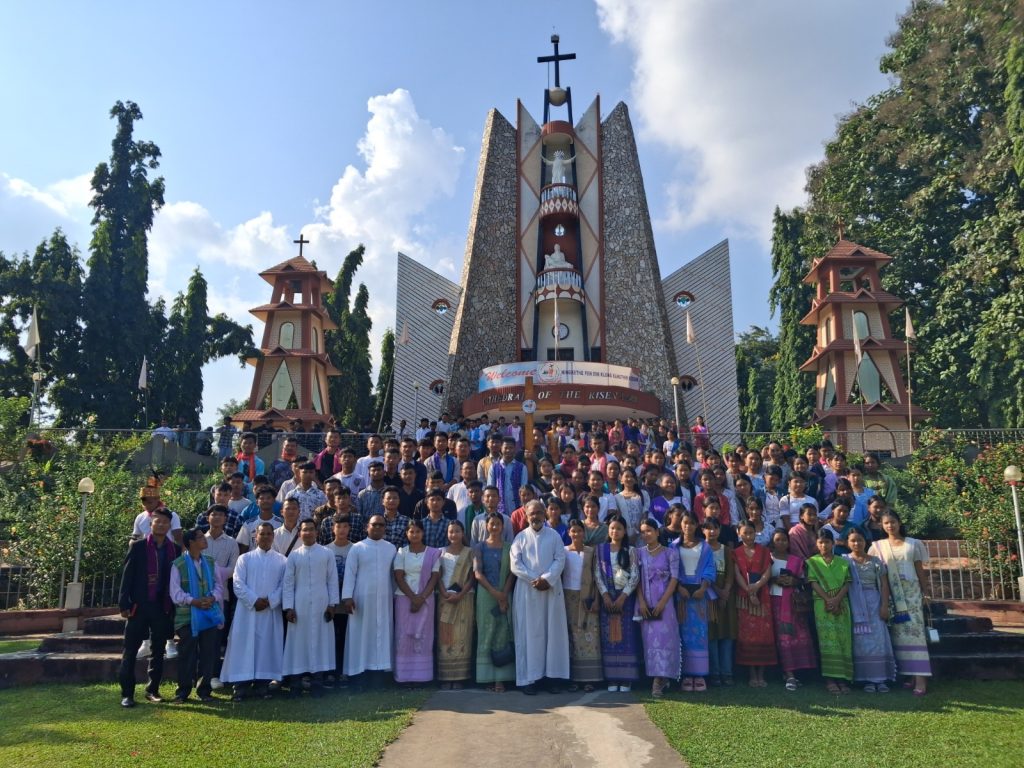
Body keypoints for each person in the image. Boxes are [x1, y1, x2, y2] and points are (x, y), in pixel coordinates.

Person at [117, 507, 179, 708]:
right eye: (157, 521)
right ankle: (127, 693)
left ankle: (153, 689)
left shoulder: (175, 549)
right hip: (139, 605)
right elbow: (127, 576)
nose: (161, 525)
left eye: (165, 522)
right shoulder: (138, 547)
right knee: (130, 650)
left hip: (162, 606)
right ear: (151, 524)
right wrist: (124, 603)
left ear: (169, 525)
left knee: (158, 650)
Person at [220, 522, 286, 700]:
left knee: (266, 646)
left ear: (273, 536)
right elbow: (238, 583)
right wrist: (254, 600)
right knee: (244, 646)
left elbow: (284, 585)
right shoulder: (245, 559)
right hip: (247, 612)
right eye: (262, 534)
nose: (265, 537)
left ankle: (262, 685)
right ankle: (240, 686)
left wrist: (271, 600)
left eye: (268, 534)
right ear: (255, 537)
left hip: (270, 611)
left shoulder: (282, 561)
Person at [869, 511, 932, 696]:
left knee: (915, 634)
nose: (890, 526)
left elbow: (920, 570)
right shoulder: (877, 547)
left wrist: (926, 592)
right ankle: (910, 675)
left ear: (899, 522)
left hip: (912, 594)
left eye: (893, 522)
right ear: (882, 526)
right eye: (886, 523)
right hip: (891, 596)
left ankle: (921, 678)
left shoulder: (913, 544)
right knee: (898, 636)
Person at [510, 500, 570, 694]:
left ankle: (553, 678)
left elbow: (560, 559)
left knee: (552, 633)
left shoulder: (554, 536)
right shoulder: (520, 538)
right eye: (531, 513)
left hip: (550, 591)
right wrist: (534, 579)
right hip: (528, 592)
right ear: (526, 516)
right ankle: (530, 679)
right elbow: (515, 564)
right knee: (528, 635)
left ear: (545, 514)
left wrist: (547, 579)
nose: (535, 516)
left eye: (538, 512)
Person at [282, 520, 340, 697]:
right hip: (299, 605)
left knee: (321, 641)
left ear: (317, 532)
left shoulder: (327, 553)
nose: (307, 533)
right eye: (304, 530)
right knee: (297, 643)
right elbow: (288, 583)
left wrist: (332, 604)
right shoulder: (294, 556)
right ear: (300, 533)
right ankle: (295, 684)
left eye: (311, 530)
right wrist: (288, 607)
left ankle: (317, 683)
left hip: (322, 603)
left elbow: (332, 580)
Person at [341, 514, 398, 687]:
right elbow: (350, 573)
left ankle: (380, 672)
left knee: (382, 633)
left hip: (384, 599)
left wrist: (395, 595)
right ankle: (359, 673)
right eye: (374, 525)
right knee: (361, 634)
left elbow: (394, 576)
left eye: (381, 525)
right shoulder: (357, 548)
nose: (378, 527)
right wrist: (347, 597)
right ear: (367, 527)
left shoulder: (391, 548)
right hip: (361, 599)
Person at [169, 529, 224, 703]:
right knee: (187, 654)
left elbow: (219, 585)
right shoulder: (178, 564)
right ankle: (183, 691)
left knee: (208, 654)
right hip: (187, 617)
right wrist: (193, 601)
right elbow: (175, 592)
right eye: (200, 537)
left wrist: (212, 598)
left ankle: (204, 691)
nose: (204, 539)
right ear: (190, 543)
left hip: (208, 614)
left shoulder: (210, 562)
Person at [845, 529, 896, 692]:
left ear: (865, 541)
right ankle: (866, 679)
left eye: (860, 540)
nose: (856, 543)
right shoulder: (844, 561)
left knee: (878, 640)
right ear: (847, 543)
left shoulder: (875, 561)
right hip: (854, 604)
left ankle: (880, 679)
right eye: (853, 540)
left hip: (874, 603)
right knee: (860, 641)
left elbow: (884, 584)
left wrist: (884, 606)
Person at [392, 520, 441, 686]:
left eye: (418, 531)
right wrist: (413, 598)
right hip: (404, 599)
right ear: (407, 534)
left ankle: (422, 677)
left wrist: (421, 598)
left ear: (423, 533)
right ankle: (404, 677)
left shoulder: (433, 553)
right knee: (404, 636)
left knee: (424, 636)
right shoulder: (401, 552)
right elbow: (398, 577)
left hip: (426, 600)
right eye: (411, 532)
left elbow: (435, 577)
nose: (414, 535)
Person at [595, 515, 641, 693]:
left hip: (625, 600)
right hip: (607, 599)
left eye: (619, 528)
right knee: (610, 639)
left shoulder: (631, 551)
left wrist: (623, 597)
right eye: (612, 528)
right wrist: (605, 595)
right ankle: (612, 677)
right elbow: (597, 574)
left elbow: (635, 575)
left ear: (624, 531)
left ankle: (626, 678)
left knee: (626, 638)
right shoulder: (600, 550)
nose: (615, 531)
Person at [768, 529, 817, 692]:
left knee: (798, 635)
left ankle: (801, 672)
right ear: (772, 541)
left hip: (793, 603)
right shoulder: (768, 558)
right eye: (777, 539)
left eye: (784, 540)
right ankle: (788, 673)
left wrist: (793, 581)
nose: (781, 542)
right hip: (775, 601)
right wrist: (775, 579)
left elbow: (804, 581)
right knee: (783, 636)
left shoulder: (796, 560)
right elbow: (761, 578)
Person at [636, 518, 680, 697]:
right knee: (649, 641)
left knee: (665, 639)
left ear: (656, 532)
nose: (646, 534)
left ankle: (661, 679)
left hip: (665, 603)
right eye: (642, 532)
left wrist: (663, 602)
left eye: (649, 531)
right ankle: (656, 677)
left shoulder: (670, 553)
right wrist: (641, 601)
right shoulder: (638, 553)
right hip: (646, 604)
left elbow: (674, 579)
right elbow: (636, 579)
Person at [807, 529, 854, 693]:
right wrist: (828, 599)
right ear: (816, 544)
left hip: (841, 604)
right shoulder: (812, 562)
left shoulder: (842, 562)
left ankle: (843, 678)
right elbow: (813, 583)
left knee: (843, 639)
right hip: (822, 605)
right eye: (820, 542)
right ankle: (830, 679)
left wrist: (836, 599)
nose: (824, 545)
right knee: (827, 641)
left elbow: (847, 583)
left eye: (827, 542)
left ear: (833, 543)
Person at [473, 513, 516, 692]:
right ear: (486, 526)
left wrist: (503, 593)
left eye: (498, 524)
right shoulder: (479, 547)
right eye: (492, 524)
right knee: (486, 632)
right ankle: (487, 677)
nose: (495, 527)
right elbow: (477, 573)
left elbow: (512, 572)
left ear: (503, 526)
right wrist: (495, 593)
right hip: (486, 594)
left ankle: (501, 679)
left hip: (505, 593)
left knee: (503, 632)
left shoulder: (509, 547)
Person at [674, 513, 716, 692]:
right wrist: (678, 587)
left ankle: (699, 674)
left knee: (700, 635)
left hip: (700, 595)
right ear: (680, 524)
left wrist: (703, 588)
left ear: (697, 525)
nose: (688, 526)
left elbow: (710, 569)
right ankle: (685, 674)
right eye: (685, 523)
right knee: (682, 634)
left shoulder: (705, 547)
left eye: (692, 523)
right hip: (681, 596)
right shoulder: (674, 546)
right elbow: (671, 569)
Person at [734, 520, 778, 687]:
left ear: (755, 534)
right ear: (739, 534)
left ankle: (762, 673)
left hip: (762, 596)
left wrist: (757, 586)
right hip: (744, 598)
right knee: (747, 634)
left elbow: (767, 572)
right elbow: (737, 574)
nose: (748, 536)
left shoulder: (764, 551)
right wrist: (748, 590)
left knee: (764, 633)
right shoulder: (735, 552)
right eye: (744, 533)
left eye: (751, 533)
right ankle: (752, 673)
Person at [561, 518, 602, 692]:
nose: (576, 534)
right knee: (571, 636)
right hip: (568, 597)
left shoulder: (591, 552)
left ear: (584, 533)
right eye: (573, 531)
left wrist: (597, 600)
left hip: (588, 598)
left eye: (579, 530)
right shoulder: (563, 552)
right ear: (568, 533)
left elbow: (597, 577)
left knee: (590, 636)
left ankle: (589, 678)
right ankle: (573, 679)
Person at [437, 521, 476, 688]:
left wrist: (460, 594)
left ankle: (460, 677)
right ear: (447, 534)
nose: (454, 534)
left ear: (463, 533)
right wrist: (444, 593)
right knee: (445, 637)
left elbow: (473, 577)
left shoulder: (470, 552)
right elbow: (437, 576)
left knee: (462, 636)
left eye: (457, 531)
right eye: (451, 531)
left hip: (465, 598)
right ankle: (446, 677)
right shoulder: (440, 552)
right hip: (444, 599)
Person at [703, 518, 737, 687]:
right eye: (708, 528)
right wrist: (717, 590)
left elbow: (730, 573)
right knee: (712, 634)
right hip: (708, 596)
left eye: (715, 528)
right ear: (703, 530)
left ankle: (727, 672)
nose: (712, 532)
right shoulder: (701, 549)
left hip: (726, 597)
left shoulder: (726, 550)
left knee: (727, 633)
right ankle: (715, 672)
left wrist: (725, 592)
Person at [325, 514, 353, 687]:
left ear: (349, 528)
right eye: (338, 526)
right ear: (332, 529)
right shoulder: (326, 550)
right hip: (330, 601)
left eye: (345, 526)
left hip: (347, 601)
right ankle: (330, 672)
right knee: (330, 637)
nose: (342, 530)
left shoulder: (355, 548)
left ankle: (344, 671)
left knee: (345, 636)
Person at [488, 437, 529, 514]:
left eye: (511, 448)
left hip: (517, 508)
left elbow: (524, 489)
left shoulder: (522, 467)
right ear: (501, 448)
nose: (508, 450)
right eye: (506, 448)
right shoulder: (494, 467)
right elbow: (491, 488)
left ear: (515, 449)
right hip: (499, 509)